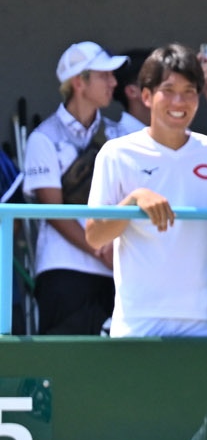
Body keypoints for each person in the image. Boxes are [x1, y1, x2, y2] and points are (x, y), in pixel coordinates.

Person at [83, 46, 207, 337]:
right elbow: (95, 236)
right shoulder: (116, 153)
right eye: (168, 90)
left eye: (189, 91)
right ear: (146, 96)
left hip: (204, 319)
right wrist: (134, 200)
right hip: (138, 319)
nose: (179, 101)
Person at [22, 41, 140, 335]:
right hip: (63, 271)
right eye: (104, 75)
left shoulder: (121, 134)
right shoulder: (43, 138)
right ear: (79, 82)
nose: (113, 82)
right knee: (65, 359)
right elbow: (53, 211)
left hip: (117, 271)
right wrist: (101, 250)